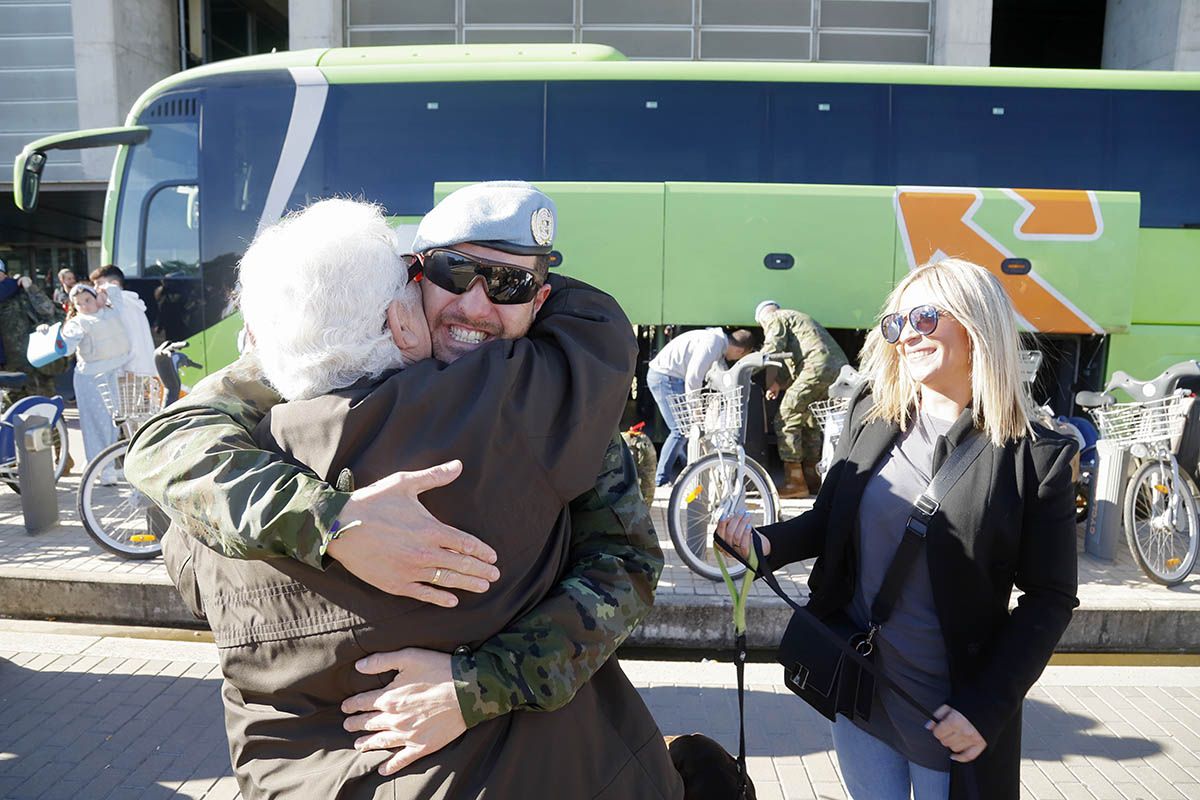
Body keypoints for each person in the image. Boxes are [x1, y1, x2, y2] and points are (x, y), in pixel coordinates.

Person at [127, 185, 682, 798]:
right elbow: (168, 442)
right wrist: (330, 521)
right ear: (412, 278)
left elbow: (622, 569)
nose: (475, 305)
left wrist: (476, 685)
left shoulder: (559, 408)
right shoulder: (310, 369)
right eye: (455, 271)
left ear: (541, 300)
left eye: (510, 286)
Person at [721, 259, 1079, 800]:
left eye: (927, 317)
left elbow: (1050, 598)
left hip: (949, 715)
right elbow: (829, 521)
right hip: (863, 689)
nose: (908, 333)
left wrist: (986, 710)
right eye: (896, 323)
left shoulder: (1038, 456)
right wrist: (763, 544)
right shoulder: (872, 412)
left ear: (976, 323)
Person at [754, 300, 849, 498]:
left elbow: (773, 347)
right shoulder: (798, 319)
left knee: (786, 415)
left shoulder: (775, 317)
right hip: (835, 369)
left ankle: (794, 482)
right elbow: (797, 360)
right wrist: (779, 384)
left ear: (762, 318)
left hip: (816, 366)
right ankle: (812, 480)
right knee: (809, 421)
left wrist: (749, 365)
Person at [646, 327, 755, 487]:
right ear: (739, 350)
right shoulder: (713, 344)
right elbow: (693, 378)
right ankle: (661, 480)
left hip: (669, 376)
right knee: (681, 431)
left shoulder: (717, 342)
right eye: (740, 357)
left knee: (688, 430)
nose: (735, 360)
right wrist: (695, 409)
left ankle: (690, 471)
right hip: (665, 377)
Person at [54, 285, 131, 481]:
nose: (84, 306)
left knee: (115, 421)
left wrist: (104, 291)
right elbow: (67, 347)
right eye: (78, 303)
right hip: (91, 377)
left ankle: (106, 465)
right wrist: (53, 338)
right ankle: (102, 468)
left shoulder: (112, 312)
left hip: (116, 372)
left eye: (87, 300)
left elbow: (116, 292)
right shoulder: (77, 323)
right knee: (97, 423)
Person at [0, 262, 66, 401]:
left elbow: (48, 310)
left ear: (4, 274)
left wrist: (31, 288)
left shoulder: (20, 291)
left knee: (44, 410)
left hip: (34, 364)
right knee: (11, 415)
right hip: (6, 372)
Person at [90, 265, 157, 375]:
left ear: (115, 284)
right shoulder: (130, 302)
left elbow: (127, 339)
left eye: (99, 283)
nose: (95, 289)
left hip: (129, 373)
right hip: (138, 370)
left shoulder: (120, 304)